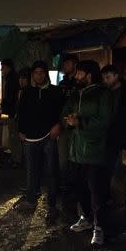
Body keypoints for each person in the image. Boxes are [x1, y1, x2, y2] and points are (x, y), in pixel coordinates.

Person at [62, 60, 112, 246]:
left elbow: (105, 121)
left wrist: (80, 123)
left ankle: (99, 228)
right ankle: (85, 217)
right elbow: (65, 111)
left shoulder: (103, 93)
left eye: (79, 73)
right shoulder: (75, 94)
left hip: (94, 150)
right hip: (75, 149)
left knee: (96, 191)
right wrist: (68, 120)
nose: (76, 76)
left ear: (89, 74)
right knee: (78, 186)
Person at [17, 61, 63, 211]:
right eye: (36, 73)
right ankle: (31, 200)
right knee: (31, 170)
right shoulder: (26, 92)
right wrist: (21, 130)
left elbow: (62, 112)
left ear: (46, 74)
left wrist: (58, 125)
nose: (39, 75)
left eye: (42, 72)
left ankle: (52, 204)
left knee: (51, 170)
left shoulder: (56, 91)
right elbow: (21, 113)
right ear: (33, 75)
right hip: (30, 138)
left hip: (49, 136)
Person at [101, 65, 126, 200]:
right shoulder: (106, 92)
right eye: (104, 78)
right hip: (108, 135)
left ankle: (118, 197)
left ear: (116, 76)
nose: (105, 80)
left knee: (119, 169)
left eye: (108, 77)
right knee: (108, 168)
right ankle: (108, 196)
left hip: (120, 136)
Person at [57, 54, 79, 195]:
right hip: (63, 124)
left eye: (67, 63)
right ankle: (66, 186)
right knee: (63, 158)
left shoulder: (79, 84)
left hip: (77, 124)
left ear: (75, 64)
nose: (64, 67)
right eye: (63, 64)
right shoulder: (62, 84)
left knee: (75, 158)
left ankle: (74, 186)